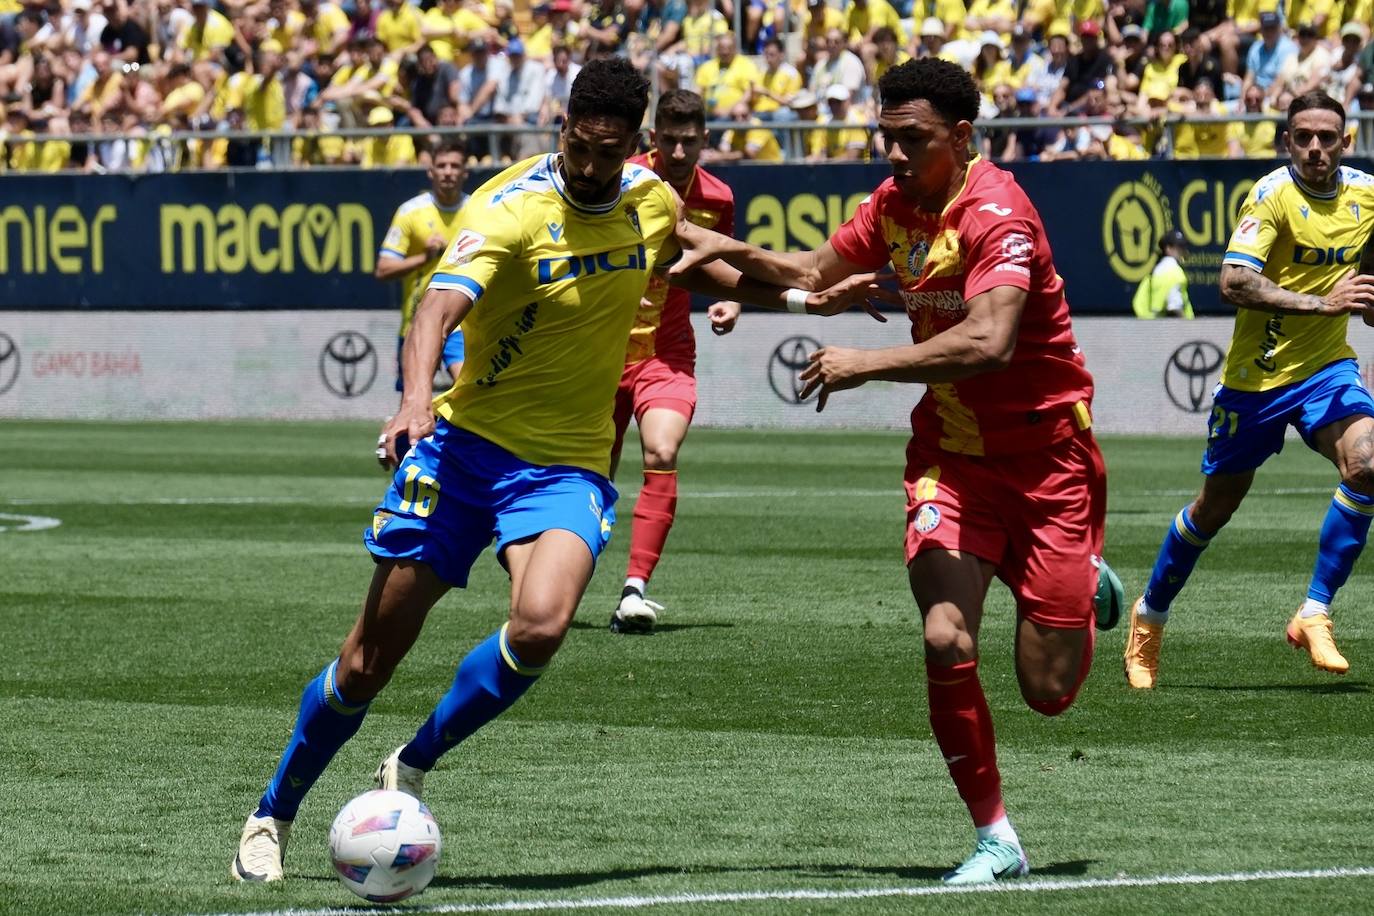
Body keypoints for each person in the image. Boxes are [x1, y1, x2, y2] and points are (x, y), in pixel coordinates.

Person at [230, 57, 878, 883]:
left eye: (611, 154)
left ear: (633, 145)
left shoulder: (650, 199)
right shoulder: (507, 207)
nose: (592, 167)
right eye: (582, 146)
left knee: (539, 628)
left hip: (564, 464)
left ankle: (415, 759)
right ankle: (271, 814)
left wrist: (802, 299)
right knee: (367, 661)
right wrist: (416, 399)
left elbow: (701, 268)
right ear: (563, 127)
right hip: (462, 453)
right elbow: (436, 306)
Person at [669, 57, 1123, 885]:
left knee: (1049, 693)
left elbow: (989, 343)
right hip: (950, 459)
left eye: (912, 140)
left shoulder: (999, 214)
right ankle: (996, 838)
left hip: (1048, 462)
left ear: (961, 136)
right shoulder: (893, 205)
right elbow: (813, 273)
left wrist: (867, 364)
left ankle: (1083, 574)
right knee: (945, 635)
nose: (895, 154)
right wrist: (718, 246)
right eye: (887, 138)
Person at [1125, 91, 1374, 689]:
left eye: (1327, 137)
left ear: (1346, 141)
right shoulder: (1271, 195)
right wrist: (1325, 302)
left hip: (1326, 370)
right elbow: (1235, 282)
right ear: (1287, 141)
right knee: (1214, 508)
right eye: (1302, 137)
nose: (1315, 147)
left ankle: (1313, 611)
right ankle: (1149, 617)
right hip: (1255, 382)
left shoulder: (1367, 194)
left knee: (1366, 463)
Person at [611, 89, 739, 633]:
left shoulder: (720, 198)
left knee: (661, 448)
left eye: (690, 140)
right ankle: (553, 577)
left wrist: (730, 300)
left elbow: (722, 265)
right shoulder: (624, 181)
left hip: (665, 354)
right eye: (670, 140)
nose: (681, 151)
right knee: (590, 474)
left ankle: (634, 590)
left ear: (705, 139)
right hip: (598, 352)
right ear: (652, 139)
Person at [375, 139, 470, 398]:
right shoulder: (410, 213)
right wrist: (423, 258)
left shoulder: (478, 212)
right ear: (431, 171)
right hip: (417, 322)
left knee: (467, 393)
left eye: (455, 165)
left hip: (464, 324)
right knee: (413, 402)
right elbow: (383, 269)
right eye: (441, 166)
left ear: (465, 172)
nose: (448, 171)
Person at [1132, 228, 1193, 319]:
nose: (1182, 251)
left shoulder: (1153, 273)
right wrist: (1189, 329)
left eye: (1183, 247)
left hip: (1151, 328)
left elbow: (1138, 303)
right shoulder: (1176, 273)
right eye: (1178, 247)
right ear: (1168, 249)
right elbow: (1174, 308)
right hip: (1172, 330)